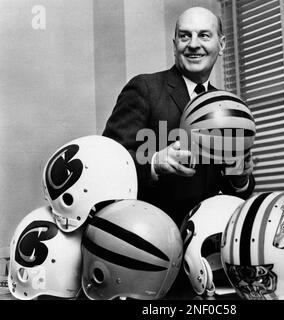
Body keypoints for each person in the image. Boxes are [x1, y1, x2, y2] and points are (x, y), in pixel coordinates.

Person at [102, 7, 255, 228]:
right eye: (185, 36)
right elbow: (108, 163)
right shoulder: (145, 88)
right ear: (175, 45)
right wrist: (154, 163)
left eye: (204, 35)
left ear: (221, 45)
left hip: (207, 241)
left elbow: (233, 190)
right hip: (152, 239)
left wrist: (240, 178)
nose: (193, 44)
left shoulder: (227, 108)